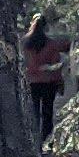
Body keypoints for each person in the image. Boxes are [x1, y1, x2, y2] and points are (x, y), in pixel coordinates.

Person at [21, 18, 69, 149]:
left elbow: (24, 63)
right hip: (48, 82)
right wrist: (59, 81)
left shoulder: (25, 43)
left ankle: (34, 141)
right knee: (47, 112)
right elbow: (55, 65)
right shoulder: (51, 44)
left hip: (32, 82)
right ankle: (47, 141)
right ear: (46, 28)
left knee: (34, 112)